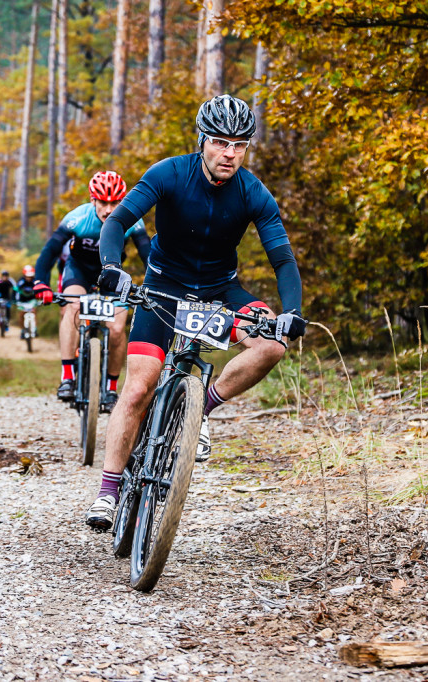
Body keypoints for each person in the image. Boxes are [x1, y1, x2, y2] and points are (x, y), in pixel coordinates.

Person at [84, 94, 306, 530]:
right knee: (137, 387)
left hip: (221, 290)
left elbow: (282, 258)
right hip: (164, 286)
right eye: (221, 142)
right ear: (202, 140)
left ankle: (199, 409)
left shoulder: (253, 191)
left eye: (240, 144)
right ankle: (108, 493)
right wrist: (112, 268)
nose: (230, 153)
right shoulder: (168, 173)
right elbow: (117, 220)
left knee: (272, 347)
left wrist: (291, 311)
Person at [32, 171, 152, 409]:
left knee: (117, 329)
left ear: (123, 200)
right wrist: (40, 283)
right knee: (73, 307)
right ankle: (67, 376)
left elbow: (147, 253)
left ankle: (109, 388)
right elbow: (50, 251)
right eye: (103, 203)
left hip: (113, 276)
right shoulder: (77, 218)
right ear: (93, 200)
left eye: (115, 202)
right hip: (79, 271)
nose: (109, 209)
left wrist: (155, 285)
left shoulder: (133, 221)